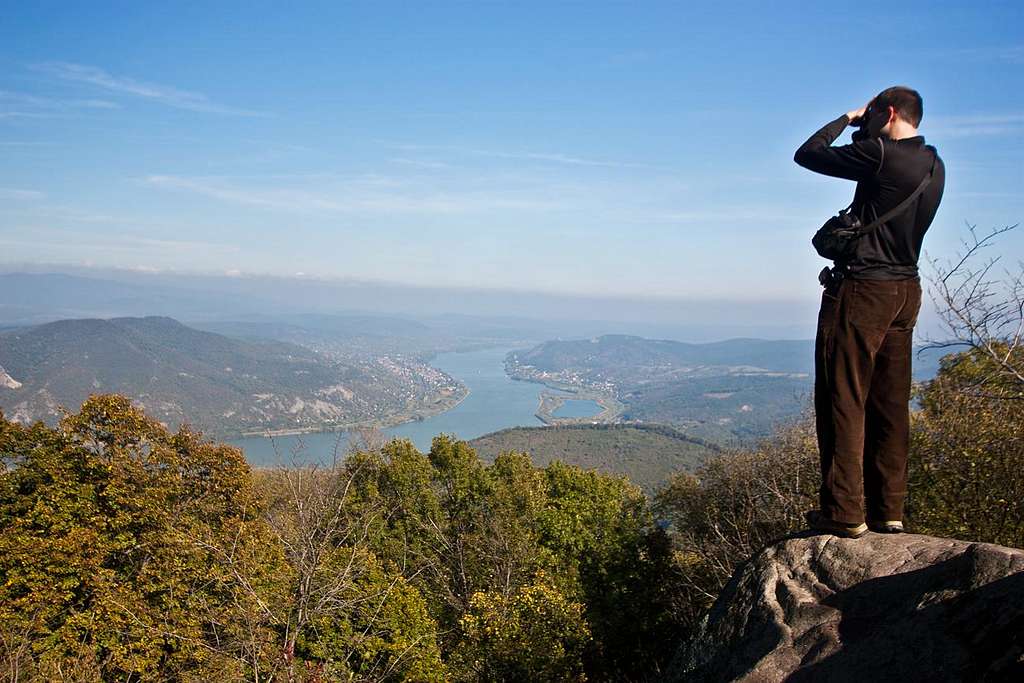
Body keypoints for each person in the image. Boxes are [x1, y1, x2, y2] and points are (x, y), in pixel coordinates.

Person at [794, 86, 946, 538]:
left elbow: (809, 153)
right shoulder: (934, 163)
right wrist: (871, 126)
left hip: (864, 292)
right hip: (906, 290)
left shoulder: (880, 155)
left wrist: (847, 117)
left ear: (889, 111)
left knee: (844, 397)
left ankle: (844, 513)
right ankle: (889, 511)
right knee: (891, 403)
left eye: (875, 112)